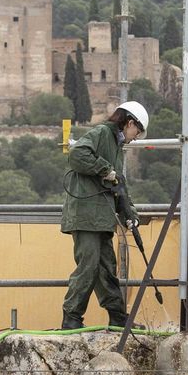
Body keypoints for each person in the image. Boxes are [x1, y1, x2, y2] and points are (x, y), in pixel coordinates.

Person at [59, 101, 148, 330]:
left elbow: (117, 184)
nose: (135, 137)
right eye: (137, 132)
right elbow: (77, 154)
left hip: (100, 217)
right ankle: (71, 317)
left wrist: (131, 213)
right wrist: (104, 170)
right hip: (86, 214)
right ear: (129, 123)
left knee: (107, 267)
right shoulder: (101, 133)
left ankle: (117, 316)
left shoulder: (116, 146)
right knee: (88, 265)